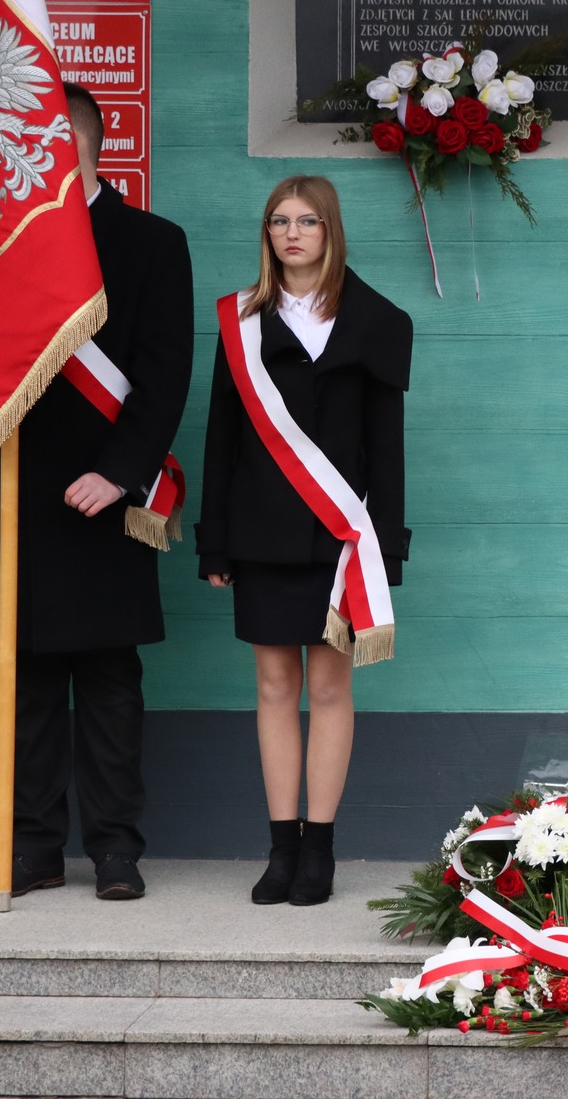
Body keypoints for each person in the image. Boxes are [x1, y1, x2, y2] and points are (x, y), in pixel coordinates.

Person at [0, 84, 193, 902]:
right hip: (18, 492)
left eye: (47, 142)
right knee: (28, 685)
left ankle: (115, 849)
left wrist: (119, 472)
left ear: (83, 143)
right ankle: (32, 848)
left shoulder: (152, 242)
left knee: (110, 684)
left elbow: (165, 375)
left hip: (104, 494)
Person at [198, 174, 412, 907]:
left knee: (327, 687)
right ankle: (280, 847)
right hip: (260, 533)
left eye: (307, 220)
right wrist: (215, 542)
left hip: (342, 538)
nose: (291, 233)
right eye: (279, 221)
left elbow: (388, 449)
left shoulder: (377, 321)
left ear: (330, 230)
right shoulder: (241, 321)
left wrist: (386, 547)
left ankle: (318, 847)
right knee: (273, 686)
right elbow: (221, 437)